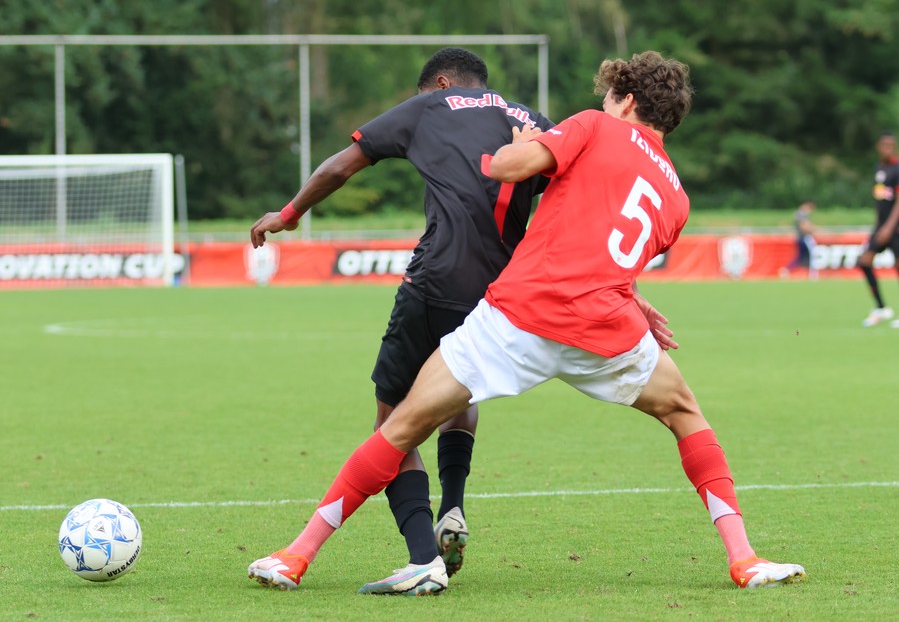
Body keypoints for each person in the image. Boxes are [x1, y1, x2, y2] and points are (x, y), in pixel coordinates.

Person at [247, 50, 805, 593]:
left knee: (399, 427)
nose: (603, 103)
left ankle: (297, 555)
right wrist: (634, 299)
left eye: (610, 95)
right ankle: (745, 558)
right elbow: (608, 244)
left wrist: (520, 146)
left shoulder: (591, 125)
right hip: (605, 329)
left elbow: (504, 168)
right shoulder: (677, 197)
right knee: (686, 413)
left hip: (519, 316)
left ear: (627, 99)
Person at [251, 47, 605, 596]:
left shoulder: (432, 106)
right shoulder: (533, 122)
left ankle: (422, 559)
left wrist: (288, 214)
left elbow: (341, 165)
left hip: (435, 283)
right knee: (457, 395)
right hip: (500, 296)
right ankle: (454, 508)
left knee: (392, 425)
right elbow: (579, 200)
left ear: (440, 82)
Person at [858, 131, 899, 327]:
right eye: (884, 145)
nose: (887, 149)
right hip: (881, 227)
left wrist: (889, 228)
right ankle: (881, 308)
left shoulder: (897, 168)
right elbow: (880, 200)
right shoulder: (879, 169)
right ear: (878, 146)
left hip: (895, 228)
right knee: (864, 261)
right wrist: (877, 228)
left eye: (891, 145)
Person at [779, 201, 817, 280]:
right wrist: (813, 230)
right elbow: (805, 227)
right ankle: (813, 274)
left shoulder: (799, 214)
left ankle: (787, 269)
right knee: (811, 255)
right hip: (804, 238)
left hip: (800, 238)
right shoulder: (802, 215)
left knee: (800, 257)